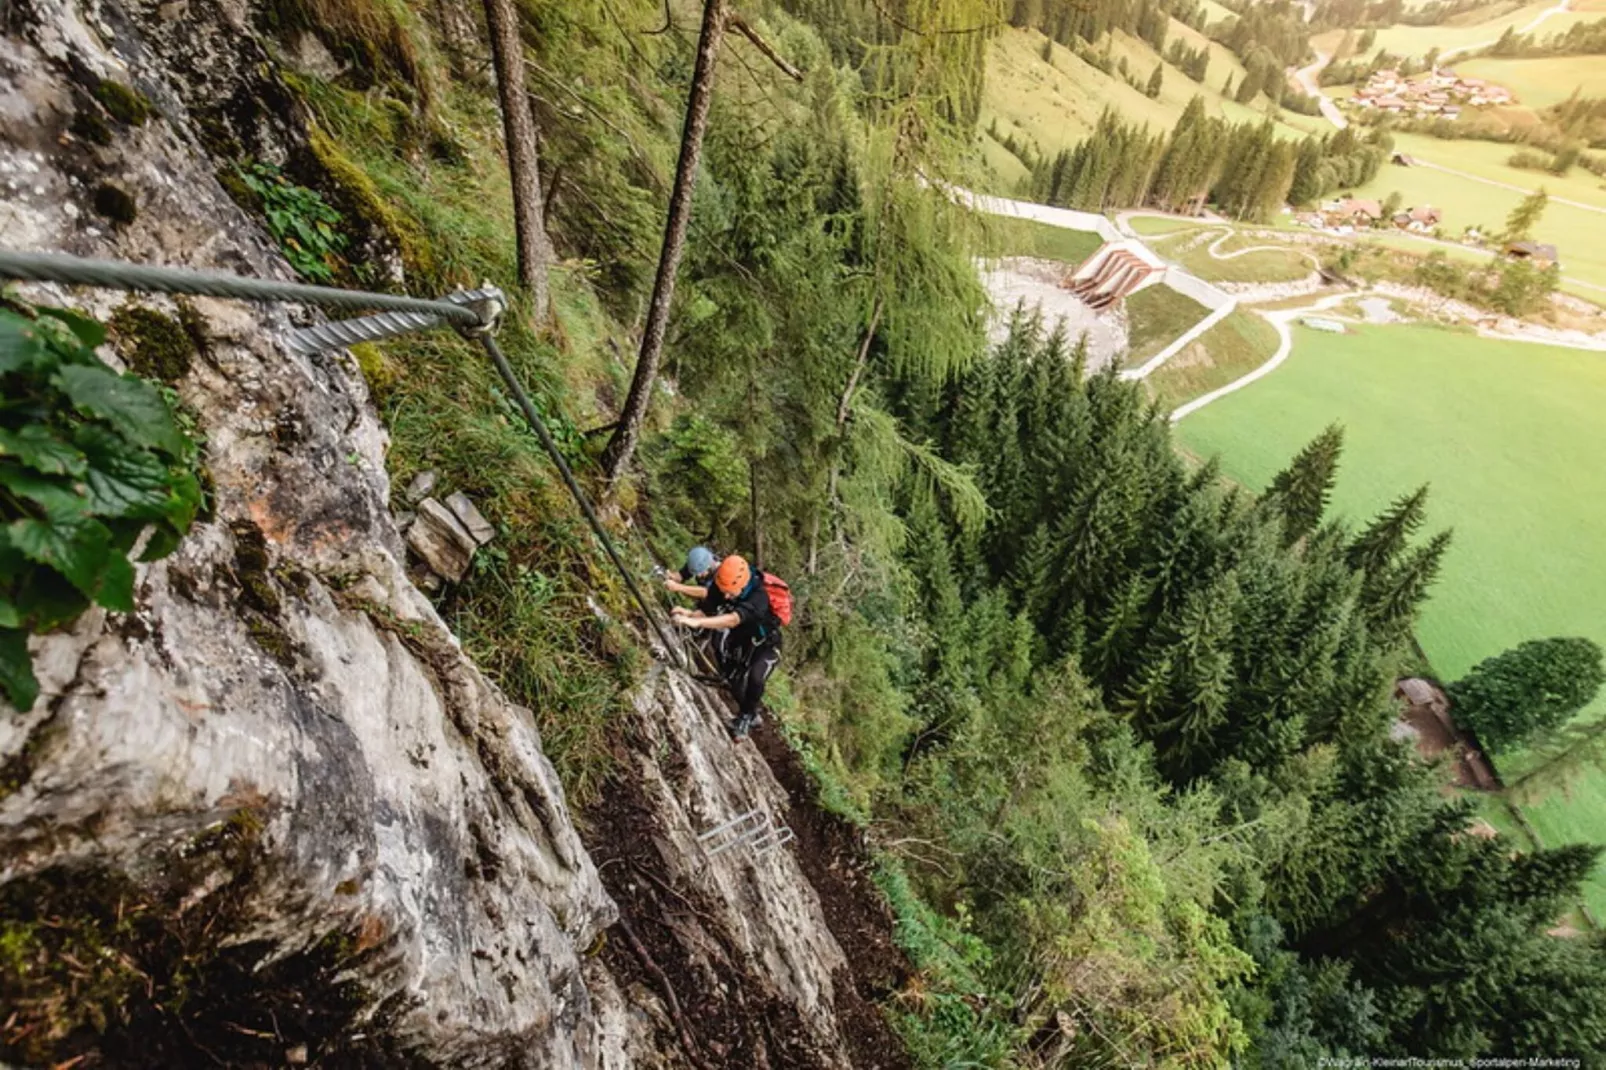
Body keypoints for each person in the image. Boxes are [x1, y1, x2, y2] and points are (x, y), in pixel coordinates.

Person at [671, 554, 781, 740]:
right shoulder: (720, 586)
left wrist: (696, 623)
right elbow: (707, 609)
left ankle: (745, 718)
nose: (726, 596)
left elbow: (733, 619)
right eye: (724, 591)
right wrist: (689, 614)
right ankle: (750, 713)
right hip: (740, 640)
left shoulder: (759, 596)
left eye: (731, 592)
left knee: (756, 677)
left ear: (743, 584)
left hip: (766, 644)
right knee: (733, 679)